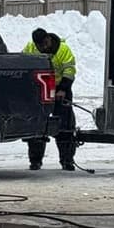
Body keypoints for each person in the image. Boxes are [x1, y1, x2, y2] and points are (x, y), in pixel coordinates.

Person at [23, 27, 77, 170]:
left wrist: (63, 89)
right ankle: (35, 160)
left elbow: (70, 70)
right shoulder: (30, 48)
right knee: (37, 125)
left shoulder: (63, 50)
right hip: (39, 91)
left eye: (44, 45)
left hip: (60, 89)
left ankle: (67, 160)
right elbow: (24, 66)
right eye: (39, 46)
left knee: (65, 125)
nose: (43, 48)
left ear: (48, 39)